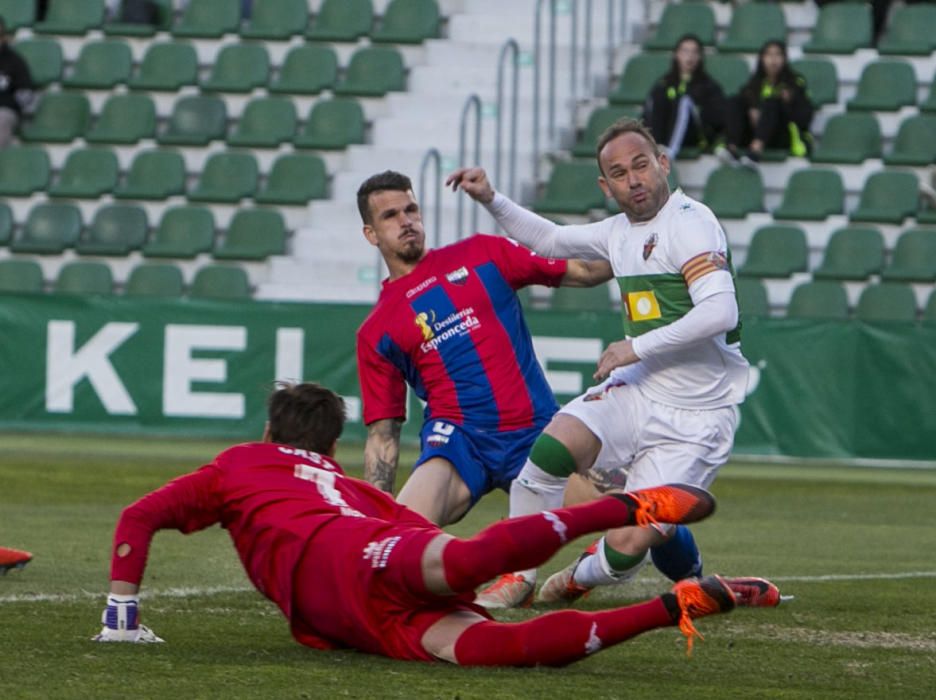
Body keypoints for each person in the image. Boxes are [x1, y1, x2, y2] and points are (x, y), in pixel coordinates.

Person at [91, 381, 741, 664]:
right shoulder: (341, 482)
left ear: (267, 432)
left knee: (502, 646)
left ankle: (637, 542)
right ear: (329, 449)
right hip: (367, 573)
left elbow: (138, 515)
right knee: (474, 590)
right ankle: (670, 589)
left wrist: (122, 615)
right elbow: (407, 524)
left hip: (340, 581)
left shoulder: (237, 464)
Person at [445, 118, 773, 610]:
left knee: (626, 549)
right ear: (606, 185)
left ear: (663, 164)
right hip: (639, 388)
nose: (634, 179)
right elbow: (552, 240)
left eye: (641, 165)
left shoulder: (690, 222)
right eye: (619, 173)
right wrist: (492, 198)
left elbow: (720, 311)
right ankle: (517, 575)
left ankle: (580, 575)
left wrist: (634, 348)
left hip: (698, 416)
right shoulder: (619, 231)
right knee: (550, 452)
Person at [356, 170, 612, 529]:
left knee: (633, 524)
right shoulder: (376, 330)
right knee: (399, 538)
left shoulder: (482, 253)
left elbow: (585, 270)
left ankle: (692, 571)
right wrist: (368, 529)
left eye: (410, 209)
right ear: (371, 234)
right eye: (390, 215)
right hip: (459, 442)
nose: (406, 221)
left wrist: (645, 248)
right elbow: (383, 437)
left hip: (533, 433)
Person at [720, 40, 812, 166]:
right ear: (762, 58)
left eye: (778, 55)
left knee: (772, 103)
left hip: (781, 135)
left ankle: (755, 150)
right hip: (753, 132)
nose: (773, 60)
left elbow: (805, 117)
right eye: (769, 55)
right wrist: (752, 110)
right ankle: (731, 148)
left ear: (784, 59)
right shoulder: (754, 84)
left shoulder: (795, 83)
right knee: (735, 101)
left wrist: (788, 103)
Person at [643, 34, 726, 160]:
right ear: (676, 55)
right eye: (685, 51)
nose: (690, 56)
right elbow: (648, 112)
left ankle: (669, 153)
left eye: (695, 52)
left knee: (684, 101)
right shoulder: (664, 83)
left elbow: (717, 120)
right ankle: (655, 147)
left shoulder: (709, 86)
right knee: (659, 95)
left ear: (700, 57)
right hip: (663, 135)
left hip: (696, 136)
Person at [0, 18, 35, 149]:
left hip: (4, 110)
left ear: (3, 38)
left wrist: (13, 104)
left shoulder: (14, 61)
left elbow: (26, 93)